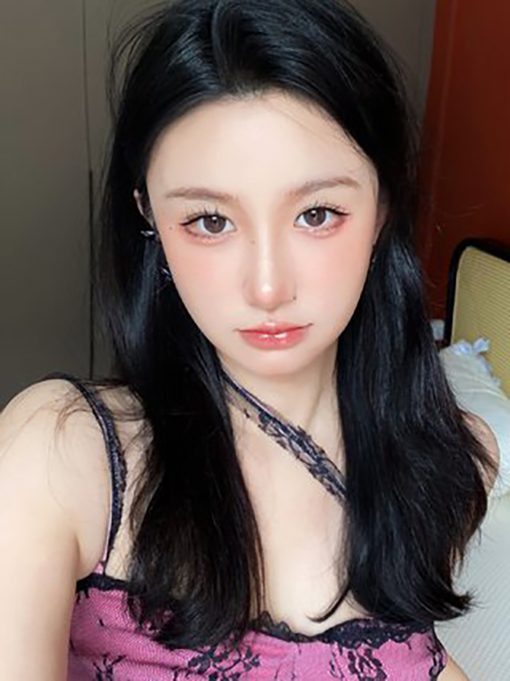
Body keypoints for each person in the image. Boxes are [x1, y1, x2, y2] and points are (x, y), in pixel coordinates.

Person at [0, 0, 499, 679]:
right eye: (210, 221)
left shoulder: (450, 465)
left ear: (382, 206)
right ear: (150, 217)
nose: (267, 287)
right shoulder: (63, 454)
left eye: (316, 213)